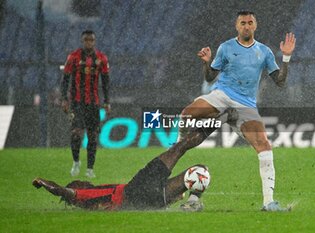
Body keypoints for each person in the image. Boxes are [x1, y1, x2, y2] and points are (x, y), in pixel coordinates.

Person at [179, 11, 296, 211]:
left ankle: (269, 203)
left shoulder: (264, 52)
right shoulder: (226, 48)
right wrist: (206, 62)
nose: (246, 26)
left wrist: (286, 56)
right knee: (186, 114)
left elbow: (280, 81)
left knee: (264, 145)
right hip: (222, 96)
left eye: (250, 23)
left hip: (246, 105)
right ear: (237, 26)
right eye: (243, 23)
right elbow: (209, 78)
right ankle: (179, 146)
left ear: (255, 26)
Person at [32, 127, 216, 212]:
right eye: (79, 183)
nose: (83, 182)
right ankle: (217, 122)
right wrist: (45, 183)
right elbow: (66, 192)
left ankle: (192, 203)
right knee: (179, 148)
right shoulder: (86, 194)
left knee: (200, 171)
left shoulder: (97, 202)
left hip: (150, 202)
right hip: (137, 189)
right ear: (78, 186)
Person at [61, 30, 111, 178]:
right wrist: (64, 99)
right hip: (77, 103)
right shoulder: (74, 57)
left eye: (91, 40)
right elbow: (65, 79)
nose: (88, 42)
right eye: (86, 40)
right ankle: (76, 162)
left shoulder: (101, 58)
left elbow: (106, 82)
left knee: (93, 136)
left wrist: (107, 101)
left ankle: (90, 169)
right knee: (76, 134)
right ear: (82, 41)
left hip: (93, 104)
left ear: (94, 42)